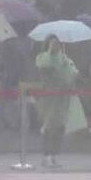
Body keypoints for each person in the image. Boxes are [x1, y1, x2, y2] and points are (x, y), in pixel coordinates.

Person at [35, 35, 79, 168]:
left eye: (58, 43)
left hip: (63, 98)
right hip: (48, 97)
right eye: (53, 43)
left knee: (60, 126)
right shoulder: (42, 57)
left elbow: (73, 74)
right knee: (48, 126)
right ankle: (46, 155)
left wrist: (65, 64)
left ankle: (54, 155)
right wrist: (50, 52)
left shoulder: (66, 59)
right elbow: (43, 66)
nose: (56, 45)